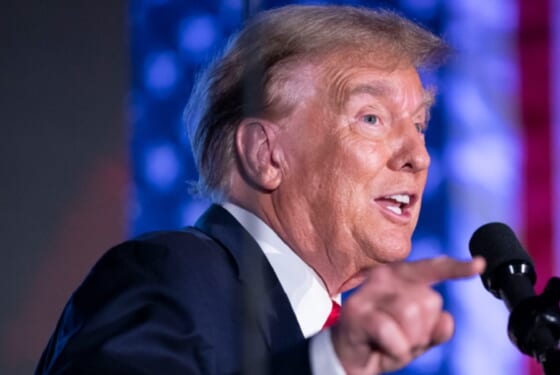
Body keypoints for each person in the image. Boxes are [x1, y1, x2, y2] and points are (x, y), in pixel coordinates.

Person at [35, 5, 484, 375]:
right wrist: (329, 363)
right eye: (371, 118)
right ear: (266, 155)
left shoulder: (338, 341)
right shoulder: (169, 277)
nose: (418, 156)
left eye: (420, 125)